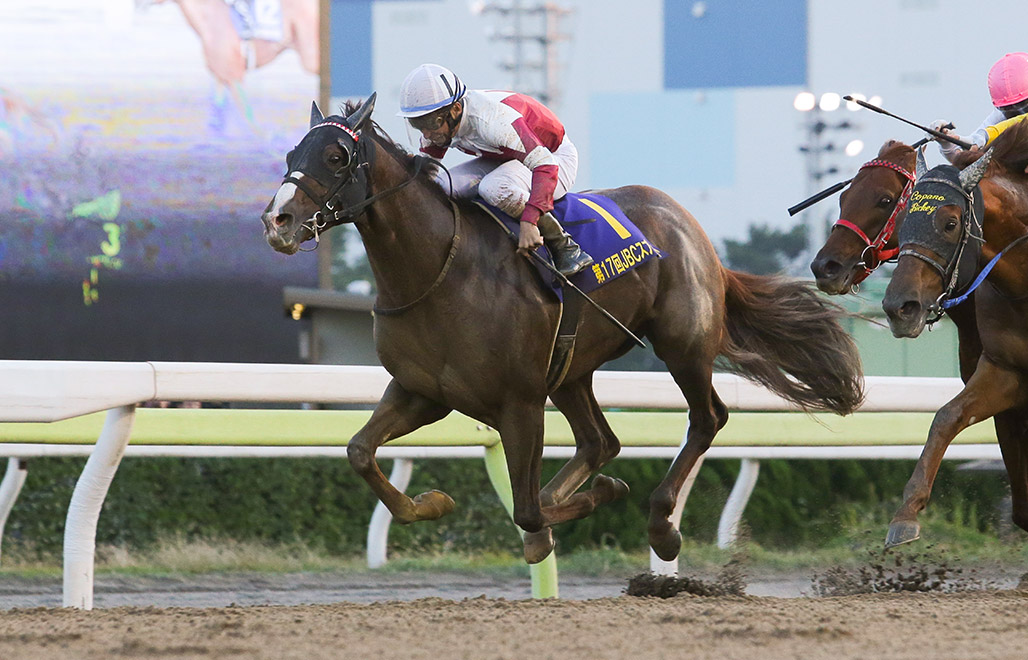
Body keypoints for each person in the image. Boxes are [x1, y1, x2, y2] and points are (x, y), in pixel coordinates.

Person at [397, 63, 593, 277]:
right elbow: (426, 176)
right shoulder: (442, 122)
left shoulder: (493, 121)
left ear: (456, 109)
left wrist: (529, 222)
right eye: (418, 124)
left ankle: (565, 246)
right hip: (507, 158)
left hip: (554, 158)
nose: (426, 133)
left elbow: (545, 165)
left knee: (494, 187)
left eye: (430, 122)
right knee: (441, 187)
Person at [931, 52, 1028, 162]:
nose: (1019, 113)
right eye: (1008, 109)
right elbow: (968, 157)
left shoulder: (998, 128)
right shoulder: (999, 116)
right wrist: (947, 144)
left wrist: (986, 135)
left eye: (1024, 105)